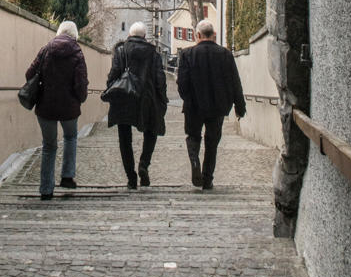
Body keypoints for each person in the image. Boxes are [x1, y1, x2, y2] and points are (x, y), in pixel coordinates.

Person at [177, 19, 246, 190]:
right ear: (213, 35)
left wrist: (188, 99)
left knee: (193, 136)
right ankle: (207, 179)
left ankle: (194, 161)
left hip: (194, 106)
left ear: (197, 35)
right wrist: (239, 105)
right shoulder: (225, 54)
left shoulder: (187, 54)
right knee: (212, 142)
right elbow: (235, 81)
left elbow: (182, 83)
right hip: (218, 106)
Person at [25, 20, 88, 200]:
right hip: (69, 106)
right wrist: (80, 98)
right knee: (70, 137)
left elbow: (29, 74)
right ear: (75, 34)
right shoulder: (77, 53)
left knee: (49, 146)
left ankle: (46, 189)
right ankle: (67, 176)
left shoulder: (45, 50)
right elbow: (81, 81)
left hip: (46, 105)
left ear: (59, 32)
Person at [104, 21, 168, 189]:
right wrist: (162, 100)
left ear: (129, 35)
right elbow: (160, 79)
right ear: (144, 36)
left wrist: (111, 90)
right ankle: (144, 164)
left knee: (124, 139)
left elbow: (113, 75)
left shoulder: (120, 50)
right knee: (151, 131)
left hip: (125, 97)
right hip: (147, 98)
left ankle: (131, 178)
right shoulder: (153, 53)